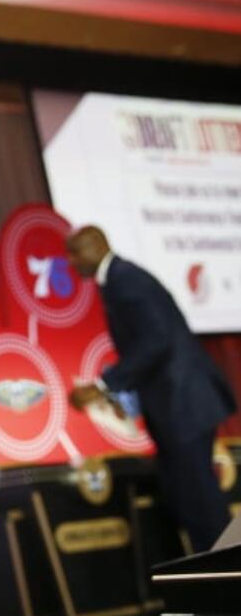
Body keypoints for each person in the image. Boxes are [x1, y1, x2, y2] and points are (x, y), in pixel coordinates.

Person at [66, 225, 237, 551]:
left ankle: (228, 587)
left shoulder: (125, 279)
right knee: (185, 502)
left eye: (74, 253)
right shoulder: (117, 278)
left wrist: (104, 385)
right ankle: (212, 586)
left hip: (184, 404)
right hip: (175, 404)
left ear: (95, 247)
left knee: (202, 505)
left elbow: (156, 341)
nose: (70, 262)